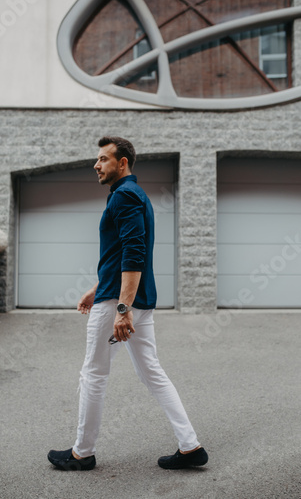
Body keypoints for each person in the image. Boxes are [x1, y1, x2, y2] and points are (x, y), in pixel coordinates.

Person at [47, 136, 208, 471]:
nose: (96, 164)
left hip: (120, 305)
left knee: (93, 373)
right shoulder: (133, 195)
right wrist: (97, 288)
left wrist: (122, 310)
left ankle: (82, 453)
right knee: (151, 372)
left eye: (104, 159)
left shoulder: (125, 197)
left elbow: (134, 255)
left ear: (122, 163)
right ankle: (190, 446)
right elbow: (121, 253)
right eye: (97, 159)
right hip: (128, 299)